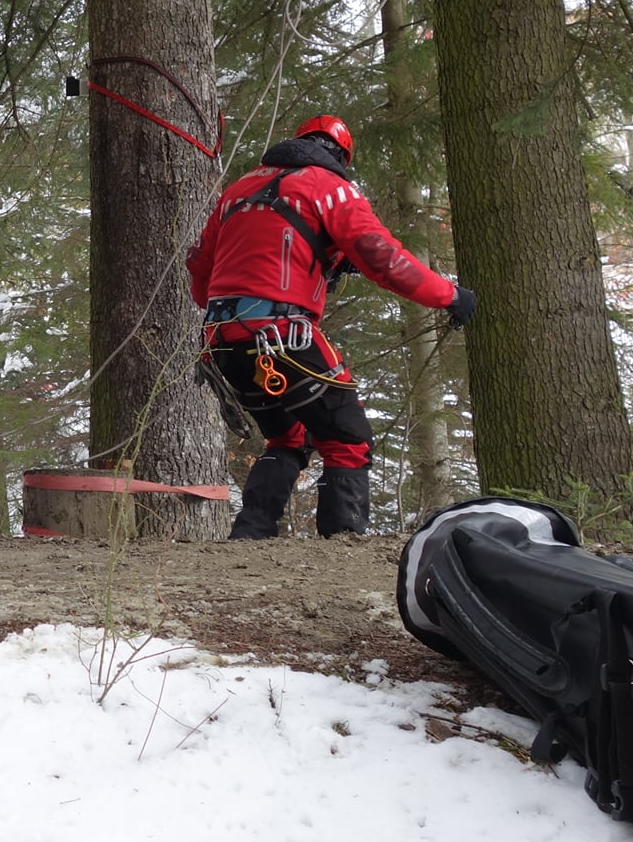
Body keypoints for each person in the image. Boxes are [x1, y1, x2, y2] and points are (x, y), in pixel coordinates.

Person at [186, 114, 476, 539]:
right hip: (282, 337)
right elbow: (383, 257)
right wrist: (449, 296)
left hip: (224, 340)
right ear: (340, 156)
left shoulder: (237, 191)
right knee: (347, 440)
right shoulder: (331, 188)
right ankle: (341, 545)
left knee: (290, 438)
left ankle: (249, 537)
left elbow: (201, 272)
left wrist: (321, 263)